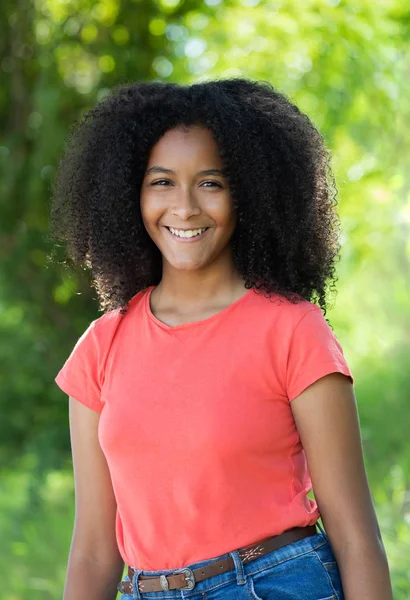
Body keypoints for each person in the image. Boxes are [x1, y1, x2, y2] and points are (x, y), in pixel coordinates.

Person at [50, 78, 393, 600]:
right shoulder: (102, 345)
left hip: (274, 583)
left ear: (249, 192)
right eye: (161, 182)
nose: (185, 207)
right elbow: (95, 550)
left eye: (211, 183)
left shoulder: (292, 330)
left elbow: (356, 536)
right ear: (128, 193)